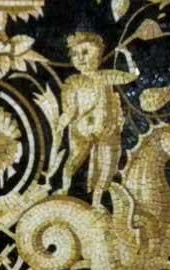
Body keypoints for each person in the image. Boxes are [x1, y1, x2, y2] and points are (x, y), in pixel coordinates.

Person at [56, 32, 139, 207]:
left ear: (98, 55)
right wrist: (61, 124)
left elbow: (132, 76)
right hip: (82, 129)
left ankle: (97, 201)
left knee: (108, 167)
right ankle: (64, 188)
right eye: (75, 54)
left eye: (85, 52)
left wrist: (126, 54)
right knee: (73, 161)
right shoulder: (73, 82)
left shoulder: (106, 76)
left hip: (107, 129)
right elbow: (70, 110)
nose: (80, 58)